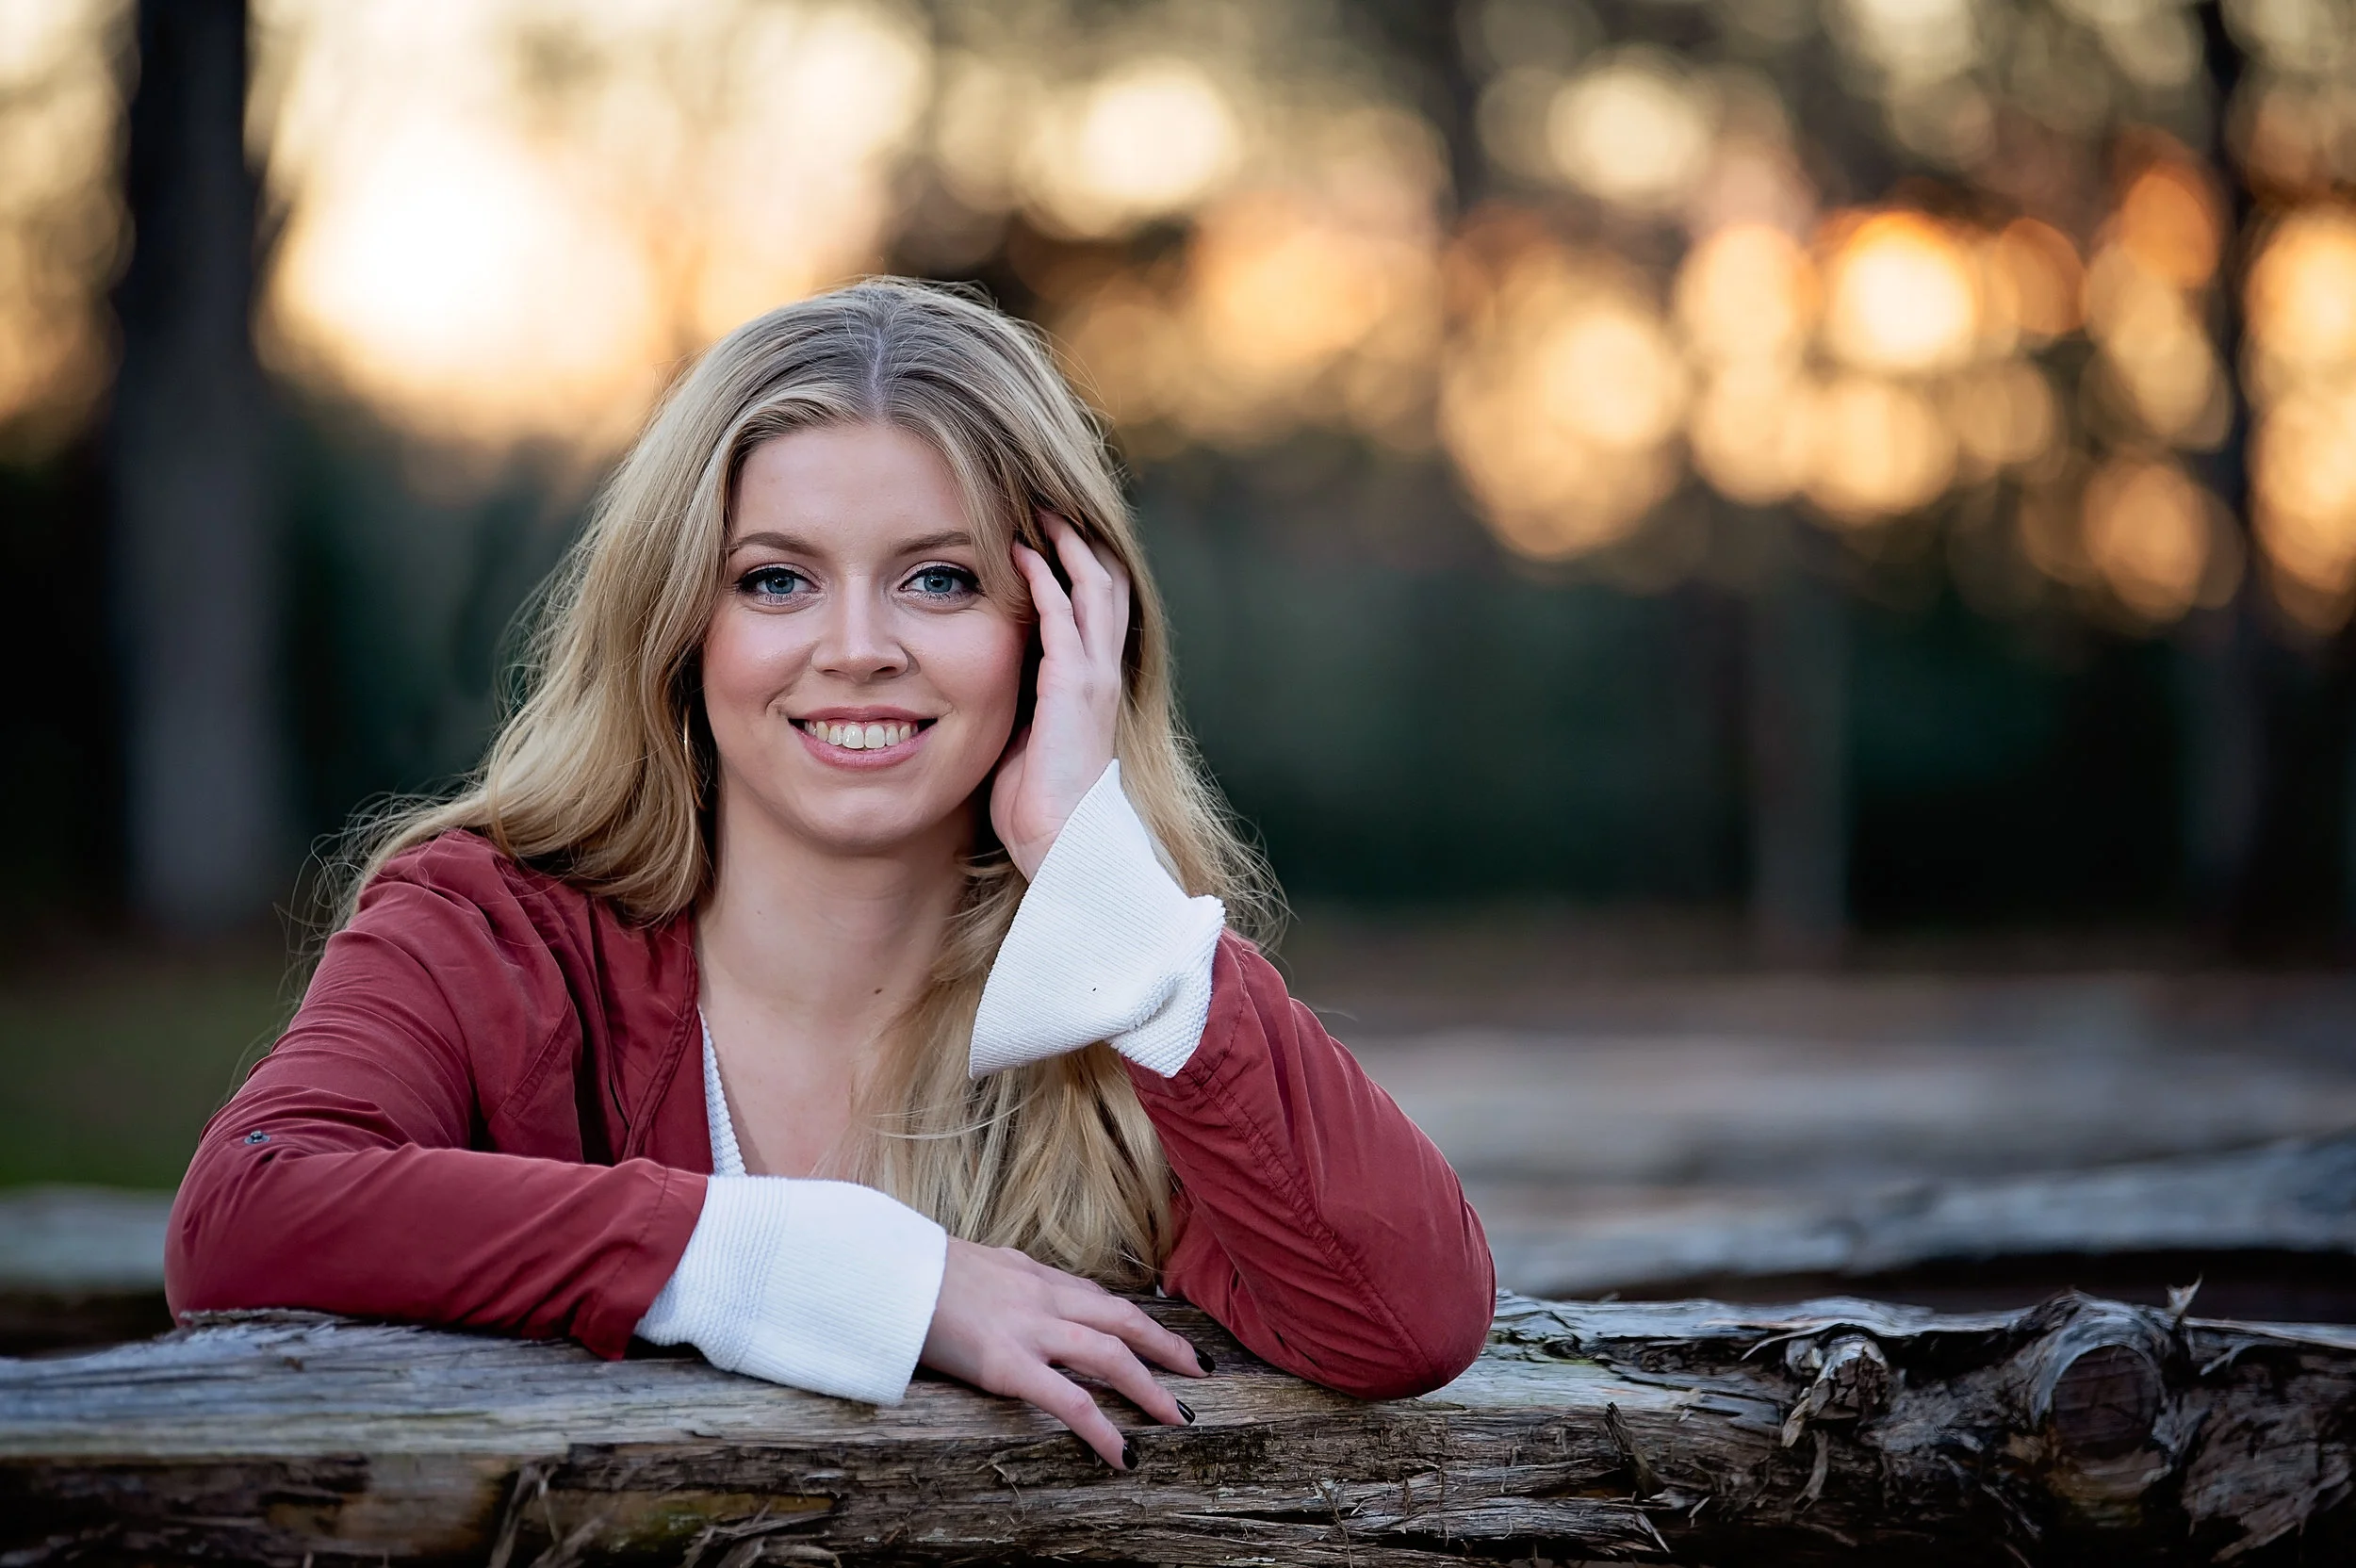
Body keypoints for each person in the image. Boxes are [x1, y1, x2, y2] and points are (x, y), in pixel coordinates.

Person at [166, 279, 1495, 1467]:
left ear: (1060, 633)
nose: (857, 648)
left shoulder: (1122, 1004)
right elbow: (245, 1218)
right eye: (776, 581)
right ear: (679, 625)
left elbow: (1403, 1318)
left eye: (937, 579)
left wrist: (1105, 875)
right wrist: (853, 1277)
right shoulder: (491, 926)